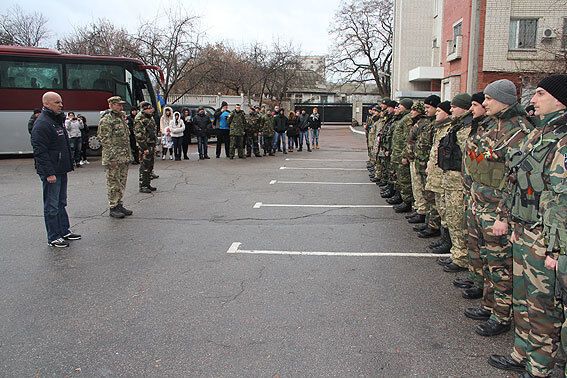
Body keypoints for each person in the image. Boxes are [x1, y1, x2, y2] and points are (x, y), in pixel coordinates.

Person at [489, 75, 566, 378]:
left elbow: (562, 199)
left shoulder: (562, 139)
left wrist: (557, 247)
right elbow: (514, 179)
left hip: (545, 238)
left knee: (542, 307)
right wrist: (504, 216)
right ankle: (522, 352)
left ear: (560, 100)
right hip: (524, 231)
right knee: (523, 299)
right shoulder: (539, 134)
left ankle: (539, 368)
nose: (533, 100)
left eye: (541, 94)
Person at [30, 92, 81, 248]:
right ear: (46, 104)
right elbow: (40, 151)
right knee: (51, 205)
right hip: (52, 172)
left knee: (61, 202)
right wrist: (48, 173)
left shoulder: (56, 120)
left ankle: (64, 231)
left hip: (61, 169)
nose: (61, 105)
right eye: (57, 102)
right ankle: (53, 237)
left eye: (61, 102)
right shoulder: (42, 124)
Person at [97, 96, 133, 219]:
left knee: (121, 182)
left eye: (121, 105)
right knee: (113, 182)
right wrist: (112, 157)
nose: (120, 107)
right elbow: (104, 139)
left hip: (123, 156)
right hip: (113, 158)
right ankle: (113, 206)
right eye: (118, 104)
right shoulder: (107, 119)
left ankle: (119, 203)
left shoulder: (121, 118)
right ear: (111, 105)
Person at [134, 101, 158, 194]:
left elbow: (152, 130)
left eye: (150, 108)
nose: (150, 110)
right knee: (144, 165)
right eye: (148, 108)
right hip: (145, 145)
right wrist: (144, 148)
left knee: (150, 165)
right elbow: (139, 135)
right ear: (144, 109)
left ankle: (147, 183)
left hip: (151, 144)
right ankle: (143, 185)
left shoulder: (149, 117)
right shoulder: (140, 118)